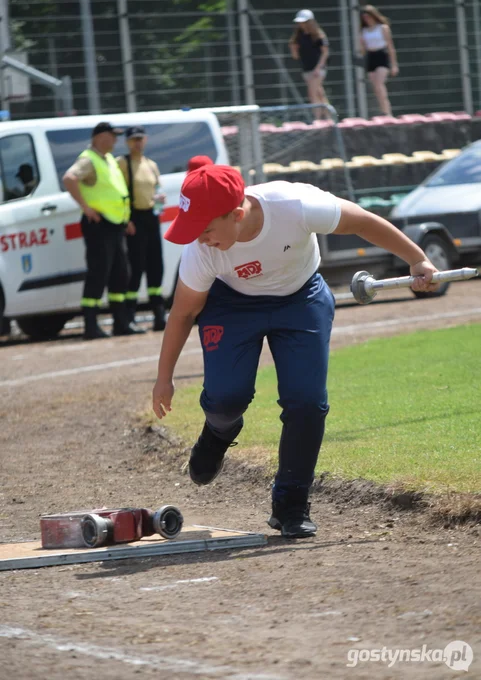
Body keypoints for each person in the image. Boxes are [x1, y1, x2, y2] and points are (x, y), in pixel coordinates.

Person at [152, 165, 439, 539]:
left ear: (237, 214)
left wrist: (417, 259)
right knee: (227, 397)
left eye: (205, 228)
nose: (200, 238)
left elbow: (363, 222)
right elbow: (184, 312)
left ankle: (291, 503)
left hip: (300, 298)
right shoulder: (202, 251)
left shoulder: (296, 205)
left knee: (306, 402)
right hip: (232, 305)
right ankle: (218, 433)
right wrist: (164, 378)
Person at [63, 121, 146, 340]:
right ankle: (91, 326)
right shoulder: (88, 159)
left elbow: (116, 193)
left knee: (120, 273)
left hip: (116, 224)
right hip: (99, 225)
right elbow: (70, 178)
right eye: (112, 135)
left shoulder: (108, 159)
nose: (116, 140)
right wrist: (86, 208)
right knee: (98, 273)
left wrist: (125, 219)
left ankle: (121, 322)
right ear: (99, 137)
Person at [117, 126, 167, 332]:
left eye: (140, 139)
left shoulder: (151, 164)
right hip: (134, 218)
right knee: (136, 267)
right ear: (127, 142)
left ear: (145, 140)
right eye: (133, 139)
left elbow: (157, 189)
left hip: (151, 218)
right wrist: (125, 219)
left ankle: (159, 315)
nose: (137, 143)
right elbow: (118, 193)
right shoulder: (122, 163)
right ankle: (129, 316)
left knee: (156, 265)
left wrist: (159, 202)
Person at [289, 9, 330, 120]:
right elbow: (296, 57)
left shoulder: (318, 35)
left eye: (304, 21)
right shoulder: (298, 36)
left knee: (312, 93)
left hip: (318, 70)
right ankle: (329, 117)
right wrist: (293, 49)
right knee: (320, 94)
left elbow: (325, 53)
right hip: (306, 69)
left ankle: (316, 119)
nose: (301, 24)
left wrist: (318, 68)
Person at [360, 4, 399, 116]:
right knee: (376, 88)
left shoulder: (382, 28)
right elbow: (363, 49)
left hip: (382, 55)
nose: (366, 19)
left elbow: (390, 47)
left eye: (368, 16)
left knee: (379, 84)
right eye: (364, 17)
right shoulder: (364, 31)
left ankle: (387, 112)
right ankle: (383, 110)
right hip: (371, 57)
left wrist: (394, 64)